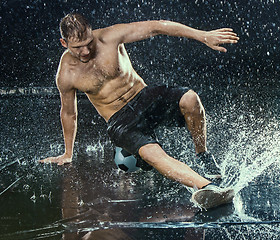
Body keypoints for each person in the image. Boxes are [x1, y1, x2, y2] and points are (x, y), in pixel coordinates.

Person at [39, 13, 238, 209]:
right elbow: (69, 113)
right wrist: (68, 153)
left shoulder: (110, 36)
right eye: (77, 47)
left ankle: (202, 154)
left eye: (88, 43)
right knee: (151, 154)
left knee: (190, 99)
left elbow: (158, 26)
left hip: (144, 96)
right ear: (64, 43)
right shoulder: (66, 73)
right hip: (120, 120)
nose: (85, 51)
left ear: (92, 33)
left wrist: (203, 35)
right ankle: (208, 188)